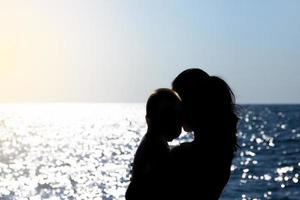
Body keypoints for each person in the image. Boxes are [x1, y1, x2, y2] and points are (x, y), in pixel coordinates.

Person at [169, 68, 239, 200]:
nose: (174, 110)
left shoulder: (183, 157)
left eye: (177, 103)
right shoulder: (222, 152)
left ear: (193, 105)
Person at [125, 88, 183, 200]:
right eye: (167, 115)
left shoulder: (151, 142)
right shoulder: (157, 148)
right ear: (149, 119)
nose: (174, 121)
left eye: (177, 115)